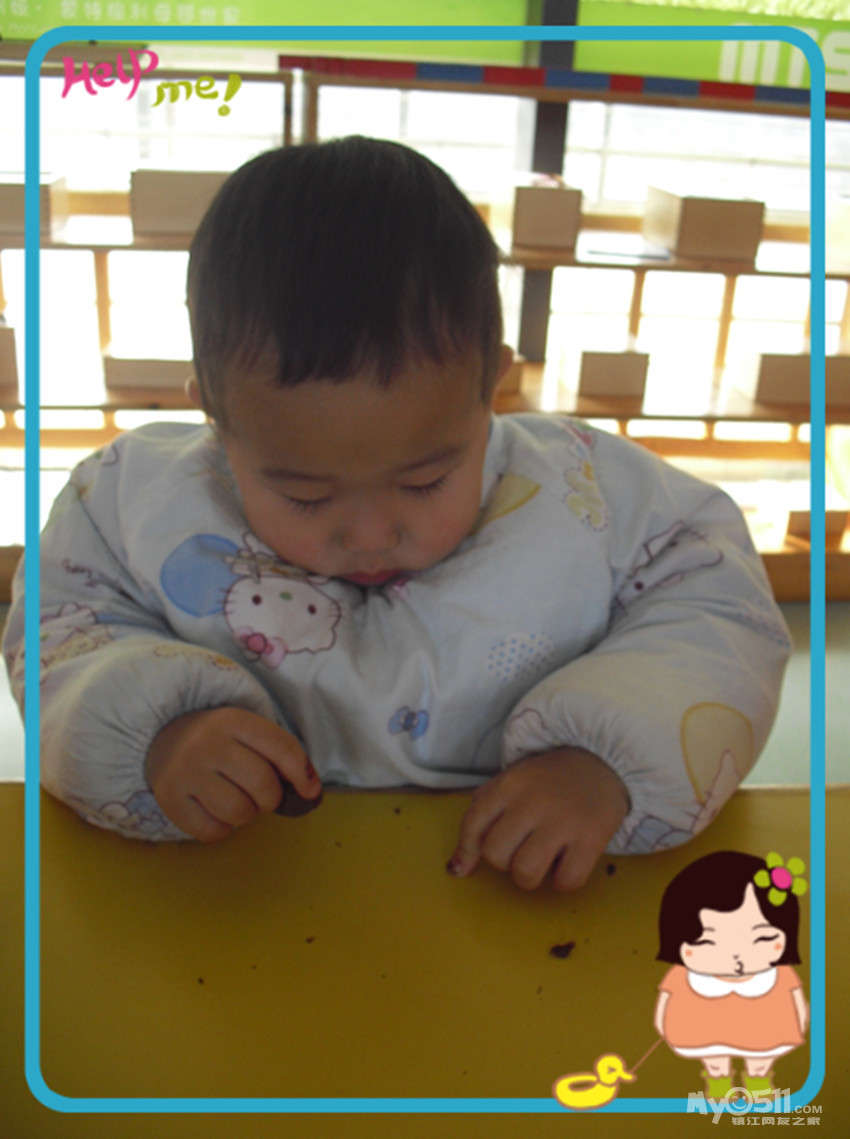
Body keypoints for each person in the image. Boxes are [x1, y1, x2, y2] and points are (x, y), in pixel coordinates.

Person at [2, 136, 792, 892]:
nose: (372, 534)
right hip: (241, 897)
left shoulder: (590, 491)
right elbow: (64, 622)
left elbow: (717, 604)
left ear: (489, 386)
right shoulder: (132, 501)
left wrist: (608, 763)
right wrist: (156, 734)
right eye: (306, 495)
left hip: (511, 904)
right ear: (216, 414)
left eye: (425, 481)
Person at [654, 850, 808, 1099]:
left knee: (760, 1058)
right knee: (714, 1057)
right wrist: (662, 1023)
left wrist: (800, 1018)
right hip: (701, 1030)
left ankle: (758, 1083)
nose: (737, 957)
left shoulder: (778, 976)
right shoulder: (685, 977)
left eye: (762, 938)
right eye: (708, 942)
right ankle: (719, 1084)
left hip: (767, 1030)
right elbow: (666, 999)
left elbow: (797, 999)